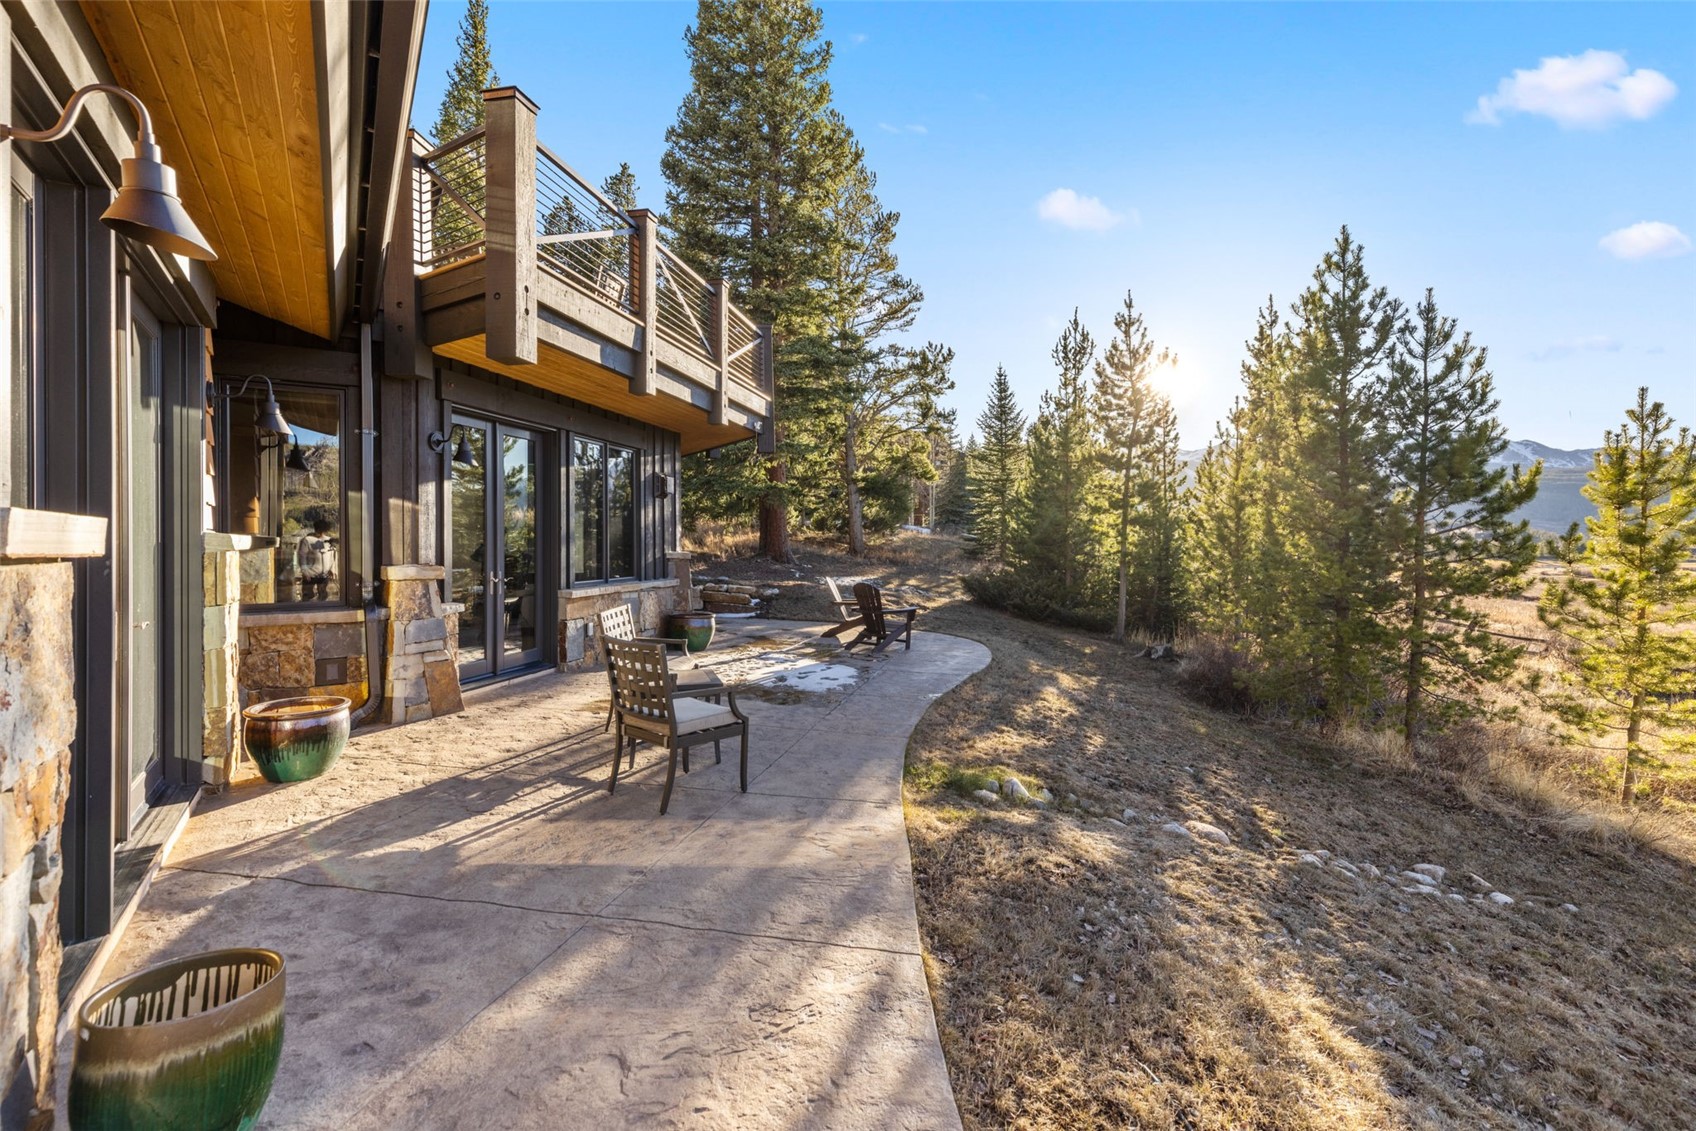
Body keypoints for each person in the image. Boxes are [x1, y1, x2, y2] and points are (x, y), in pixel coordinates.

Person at [296, 520, 336, 600]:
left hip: (325, 575)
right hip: (310, 575)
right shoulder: (307, 540)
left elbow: (333, 555)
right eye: (320, 531)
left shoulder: (329, 540)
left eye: (323, 531)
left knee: (323, 596)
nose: (321, 534)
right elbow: (302, 556)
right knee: (308, 597)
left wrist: (333, 569)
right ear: (316, 529)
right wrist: (305, 571)